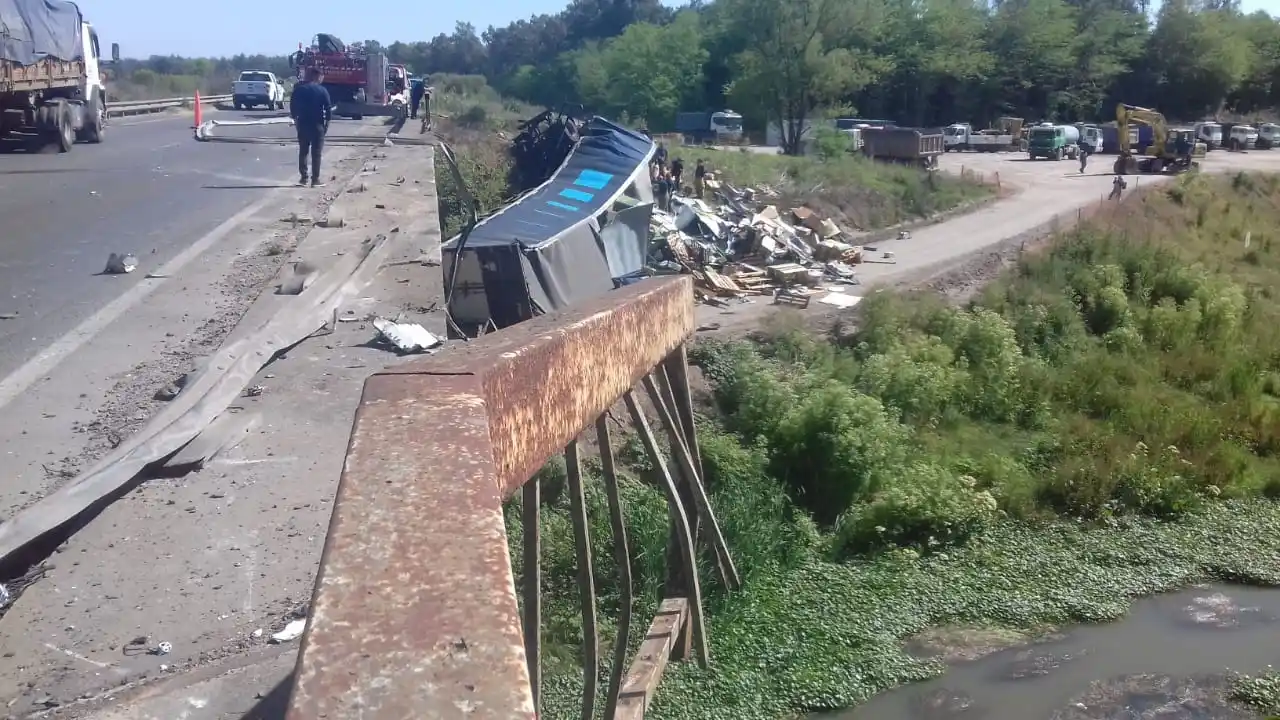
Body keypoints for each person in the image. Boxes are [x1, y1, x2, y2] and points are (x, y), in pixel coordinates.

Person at [290, 67, 332, 188]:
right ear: (318, 76)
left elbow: (293, 106)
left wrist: (296, 120)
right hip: (317, 125)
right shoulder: (322, 90)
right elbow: (328, 109)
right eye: (322, 76)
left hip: (302, 124)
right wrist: (326, 126)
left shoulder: (299, 89)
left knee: (303, 151)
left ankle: (303, 178)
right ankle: (315, 180)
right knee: (316, 153)